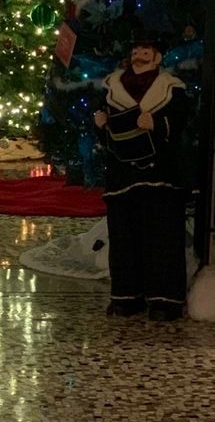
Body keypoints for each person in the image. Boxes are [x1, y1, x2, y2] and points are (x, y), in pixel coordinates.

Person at [94, 39, 189, 321]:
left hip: (159, 175)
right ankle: (127, 297)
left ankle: (165, 300)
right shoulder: (112, 87)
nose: (139, 56)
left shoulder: (171, 87)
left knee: (161, 236)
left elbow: (181, 119)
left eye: (145, 52)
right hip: (123, 175)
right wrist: (102, 124)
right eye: (135, 51)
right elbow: (106, 125)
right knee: (124, 237)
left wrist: (158, 124)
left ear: (157, 57)